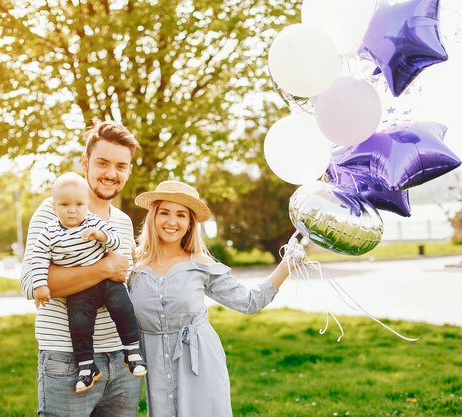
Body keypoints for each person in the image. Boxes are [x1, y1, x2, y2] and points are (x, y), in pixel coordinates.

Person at [128, 180, 300, 417]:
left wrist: (287, 264)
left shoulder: (200, 264)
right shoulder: (133, 266)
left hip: (199, 365)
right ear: (153, 217)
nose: (172, 221)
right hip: (155, 366)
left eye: (181, 215)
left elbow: (249, 302)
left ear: (189, 224)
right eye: (164, 212)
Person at [20, 120, 143, 416]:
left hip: (124, 360)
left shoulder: (123, 222)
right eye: (102, 163)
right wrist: (104, 268)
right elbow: (31, 283)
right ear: (85, 162)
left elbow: (124, 282)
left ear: (128, 170)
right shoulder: (52, 212)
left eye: (121, 166)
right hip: (66, 359)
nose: (111, 173)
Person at [31, 172, 146, 394]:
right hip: (80, 289)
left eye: (79, 204)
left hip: (106, 283)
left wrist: (101, 236)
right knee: (79, 322)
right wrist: (40, 285)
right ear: (54, 207)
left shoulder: (94, 222)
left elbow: (117, 242)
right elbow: (38, 259)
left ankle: (132, 351)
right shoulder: (49, 232)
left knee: (123, 306)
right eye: (64, 205)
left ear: (87, 205)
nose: (72, 210)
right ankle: (86, 366)